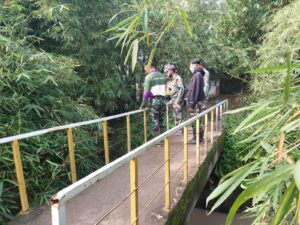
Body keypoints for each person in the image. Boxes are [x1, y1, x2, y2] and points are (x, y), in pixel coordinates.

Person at [140, 59, 167, 134]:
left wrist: (143, 105)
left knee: (155, 122)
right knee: (162, 121)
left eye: (145, 68)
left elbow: (146, 93)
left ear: (147, 67)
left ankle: (158, 143)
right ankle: (164, 139)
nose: (145, 69)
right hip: (163, 101)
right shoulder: (163, 76)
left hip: (154, 102)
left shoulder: (149, 77)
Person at [186, 59, 206, 144]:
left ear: (194, 65)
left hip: (196, 103)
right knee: (198, 120)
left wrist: (191, 104)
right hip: (199, 102)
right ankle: (199, 139)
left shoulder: (197, 75)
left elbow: (195, 91)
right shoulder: (199, 74)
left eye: (191, 65)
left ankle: (197, 139)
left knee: (195, 121)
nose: (190, 67)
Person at [164, 64, 185, 135]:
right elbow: (171, 91)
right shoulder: (171, 80)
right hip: (173, 101)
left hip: (177, 101)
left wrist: (178, 100)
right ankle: (178, 129)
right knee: (175, 116)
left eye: (167, 72)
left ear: (171, 71)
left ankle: (180, 130)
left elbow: (181, 89)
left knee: (179, 116)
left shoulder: (178, 78)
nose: (166, 73)